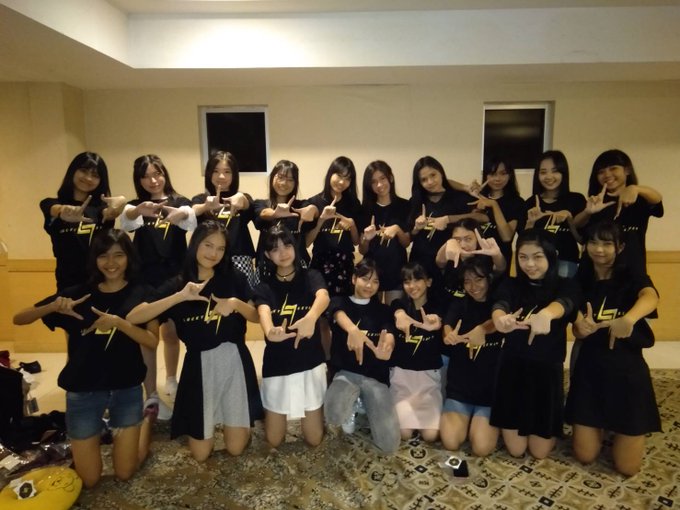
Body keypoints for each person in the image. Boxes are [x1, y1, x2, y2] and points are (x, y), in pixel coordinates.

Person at [13, 229, 158, 488]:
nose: (111, 263)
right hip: (83, 392)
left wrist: (119, 323)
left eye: (118, 255)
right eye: (103, 256)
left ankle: (146, 422)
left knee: (125, 472)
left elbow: (152, 341)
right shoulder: (78, 294)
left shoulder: (143, 293)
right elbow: (19, 318)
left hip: (126, 389)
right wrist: (53, 306)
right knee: (89, 479)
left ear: (129, 258)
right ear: (95, 259)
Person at [126, 220, 263, 462]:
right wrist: (179, 297)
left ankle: (238, 424)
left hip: (234, 361)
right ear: (195, 244)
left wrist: (234, 304)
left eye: (220, 248)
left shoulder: (233, 277)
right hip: (198, 366)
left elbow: (255, 316)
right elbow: (134, 316)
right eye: (208, 245)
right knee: (200, 454)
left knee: (236, 449)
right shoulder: (179, 283)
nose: (213, 253)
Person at [565, 221, 660, 476]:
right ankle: (602, 426)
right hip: (590, 370)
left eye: (607, 243)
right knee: (585, 455)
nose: (599, 249)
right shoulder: (580, 279)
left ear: (620, 247)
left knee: (628, 468)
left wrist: (629, 319)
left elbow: (651, 296)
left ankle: (622, 427)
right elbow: (576, 324)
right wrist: (580, 328)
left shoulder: (631, 275)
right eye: (593, 242)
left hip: (627, 371)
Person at [490, 229, 580, 459]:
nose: (529, 264)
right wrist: (500, 320)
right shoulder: (511, 284)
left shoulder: (565, 284)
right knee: (516, 450)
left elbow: (566, 303)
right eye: (523, 257)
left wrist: (547, 314)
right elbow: (500, 304)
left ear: (551, 256)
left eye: (537, 257)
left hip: (546, 372)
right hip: (512, 369)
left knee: (540, 453)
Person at [120, 154, 197, 412]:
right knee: (149, 336)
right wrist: (136, 210)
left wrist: (182, 213)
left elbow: (191, 219)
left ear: (164, 174)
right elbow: (126, 220)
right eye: (145, 176)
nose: (153, 181)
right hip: (145, 279)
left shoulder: (179, 202)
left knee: (172, 332)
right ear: (138, 180)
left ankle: (172, 380)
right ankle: (151, 394)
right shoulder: (136, 205)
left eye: (157, 174)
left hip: (176, 277)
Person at [254, 225, 330, 448]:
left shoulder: (311, 276)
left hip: (310, 362)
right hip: (278, 365)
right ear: (267, 255)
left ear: (295, 247)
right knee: (274, 440)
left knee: (314, 439)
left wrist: (311, 318)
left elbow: (323, 297)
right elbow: (263, 312)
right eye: (275, 249)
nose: (283, 252)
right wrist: (270, 331)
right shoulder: (264, 286)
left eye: (287, 245)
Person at [325, 258, 400, 454]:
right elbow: (337, 313)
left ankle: (364, 402)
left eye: (375, 281)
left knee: (389, 444)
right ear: (353, 279)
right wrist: (353, 330)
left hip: (375, 377)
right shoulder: (339, 302)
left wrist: (388, 346)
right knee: (333, 414)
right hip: (346, 373)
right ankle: (353, 403)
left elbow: (389, 332)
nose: (369, 285)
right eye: (365, 279)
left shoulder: (383, 310)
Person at [440, 256, 504, 456]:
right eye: (467, 281)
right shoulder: (460, 303)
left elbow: (498, 322)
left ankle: (479, 423)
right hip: (460, 387)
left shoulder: (498, 306)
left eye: (478, 279)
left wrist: (482, 329)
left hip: (489, 391)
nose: (473, 286)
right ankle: (467, 421)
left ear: (489, 279)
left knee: (481, 448)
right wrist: (449, 334)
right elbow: (447, 324)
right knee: (450, 442)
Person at [40, 151, 127, 291]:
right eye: (84, 171)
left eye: (95, 175)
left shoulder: (101, 209)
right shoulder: (51, 204)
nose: (88, 178)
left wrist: (121, 203)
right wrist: (63, 211)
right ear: (73, 171)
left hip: (102, 282)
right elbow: (52, 208)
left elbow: (110, 213)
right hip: (68, 283)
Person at [574, 149, 663, 276]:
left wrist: (635, 188)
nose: (607, 174)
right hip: (594, 273)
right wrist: (588, 212)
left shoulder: (639, 200)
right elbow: (577, 229)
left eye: (613, 168)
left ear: (627, 170)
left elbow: (657, 200)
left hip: (632, 269)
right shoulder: (595, 201)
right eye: (601, 171)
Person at [407, 156, 486, 295]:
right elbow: (410, 236)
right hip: (420, 261)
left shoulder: (458, 197)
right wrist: (416, 228)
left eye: (433, 175)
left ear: (441, 173)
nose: (430, 182)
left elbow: (483, 217)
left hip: (448, 262)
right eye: (424, 179)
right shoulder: (416, 200)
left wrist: (448, 219)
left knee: (445, 301)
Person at [390, 262, 445, 442]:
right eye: (407, 281)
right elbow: (396, 309)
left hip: (428, 379)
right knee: (404, 434)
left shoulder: (437, 306)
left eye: (417, 280)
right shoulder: (398, 304)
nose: (412, 286)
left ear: (428, 282)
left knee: (431, 436)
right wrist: (399, 315)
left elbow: (439, 320)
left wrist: (436, 322)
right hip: (402, 378)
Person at [191, 150, 258, 287]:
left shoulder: (241, 198)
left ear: (234, 175)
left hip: (239, 259)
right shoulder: (201, 199)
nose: (221, 176)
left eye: (227, 172)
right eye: (216, 171)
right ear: (209, 173)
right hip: (209, 258)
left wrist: (241, 198)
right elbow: (191, 211)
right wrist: (205, 206)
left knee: (242, 297)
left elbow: (248, 204)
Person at [524, 150, 586, 278]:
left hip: (566, 262)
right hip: (537, 263)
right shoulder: (531, 203)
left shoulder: (576, 199)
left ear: (563, 173)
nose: (549, 176)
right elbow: (524, 243)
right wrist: (531, 222)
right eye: (543, 172)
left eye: (555, 171)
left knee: (564, 291)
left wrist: (570, 220)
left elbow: (582, 240)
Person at [306, 156, 362, 297]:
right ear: (330, 174)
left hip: (344, 263)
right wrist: (321, 220)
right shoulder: (314, 202)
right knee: (321, 304)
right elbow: (306, 243)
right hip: (320, 262)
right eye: (339, 175)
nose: (342, 182)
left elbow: (356, 242)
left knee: (343, 306)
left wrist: (352, 225)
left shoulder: (353, 203)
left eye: (347, 179)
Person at [252, 159, 318, 278]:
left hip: (298, 267)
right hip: (266, 267)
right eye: (280, 177)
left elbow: (313, 211)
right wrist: (275, 214)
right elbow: (262, 213)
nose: (284, 183)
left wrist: (313, 209)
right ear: (272, 177)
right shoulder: (260, 204)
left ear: (295, 183)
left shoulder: (300, 206)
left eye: (290, 179)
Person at [358, 160, 411, 304]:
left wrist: (397, 229)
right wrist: (366, 239)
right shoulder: (365, 209)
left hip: (396, 270)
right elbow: (362, 250)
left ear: (390, 178)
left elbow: (406, 243)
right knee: (372, 314)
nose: (379, 185)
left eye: (382, 178)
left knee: (395, 311)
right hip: (371, 273)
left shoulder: (405, 206)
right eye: (374, 182)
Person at [467, 157, 526, 271]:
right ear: (486, 175)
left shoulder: (516, 203)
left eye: (503, 173)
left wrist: (494, 205)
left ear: (510, 175)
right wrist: (467, 189)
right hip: (474, 263)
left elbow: (506, 237)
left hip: (500, 263)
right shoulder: (476, 198)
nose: (498, 179)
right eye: (493, 174)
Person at [435, 218, 506, 299]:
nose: (462, 245)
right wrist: (448, 243)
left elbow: (500, 268)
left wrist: (497, 254)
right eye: (457, 240)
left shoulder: (486, 256)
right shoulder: (450, 254)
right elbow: (439, 262)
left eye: (468, 239)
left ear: (477, 239)